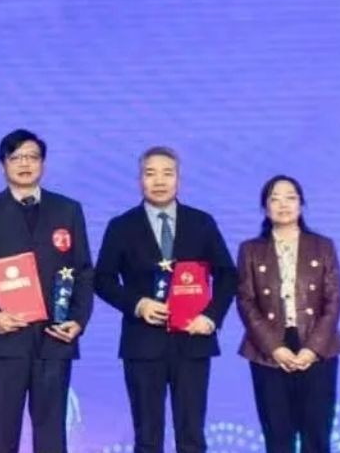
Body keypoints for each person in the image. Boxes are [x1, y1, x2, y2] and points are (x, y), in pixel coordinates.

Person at [0, 129, 94, 453]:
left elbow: (84, 271)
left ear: (43, 163)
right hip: (3, 341)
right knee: (1, 437)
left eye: (32, 157)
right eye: (16, 157)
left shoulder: (68, 210)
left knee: (52, 438)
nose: (25, 164)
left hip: (54, 339)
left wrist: (78, 320)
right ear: (3, 164)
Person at [95, 146, 237, 453]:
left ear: (178, 179)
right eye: (150, 173)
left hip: (193, 341)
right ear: (140, 180)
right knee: (147, 437)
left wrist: (211, 317)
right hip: (142, 344)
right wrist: (138, 304)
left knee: (192, 436)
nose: (159, 181)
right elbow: (102, 280)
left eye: (167, 173)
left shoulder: (201, 222)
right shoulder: (122, 226)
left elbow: (228, 275)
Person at [237, 175, 340, 453]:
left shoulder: (323, 246)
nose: (283, 204)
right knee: (277, 435)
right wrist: (274, 348)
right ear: (265, 207)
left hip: (317, 348)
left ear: (301, 204)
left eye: (291, 197)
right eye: (275, 198)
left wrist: (312, 349)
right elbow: (246, 301)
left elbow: (333, 301)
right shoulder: (250, 250)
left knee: (317, 433)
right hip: (268, 350)